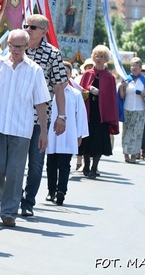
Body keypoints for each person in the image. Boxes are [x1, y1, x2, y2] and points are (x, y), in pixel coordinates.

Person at [0, 29, 50, 227]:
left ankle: (9, 211)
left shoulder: (34, 70)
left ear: (27, 46)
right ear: (7, 45)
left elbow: (41, 103)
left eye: (19, 46)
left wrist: (43, 132)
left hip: (21, 129)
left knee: (15, 171)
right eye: (12, 45)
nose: (15, 50)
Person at [20, 14, 68, 217]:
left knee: (36, 161)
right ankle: (12, 196)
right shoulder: (16, 47)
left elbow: (59, 86)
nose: (28, 29)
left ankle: (28, 200)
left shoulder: (53, 54)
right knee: (13, 160)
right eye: (26, 26)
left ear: (43, 32)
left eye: (32, 27)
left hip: (41, 117)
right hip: (17, 114)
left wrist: (62, 116)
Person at [46, 62, 88, 205]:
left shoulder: (75, 94)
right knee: (51, 162)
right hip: (51, 133)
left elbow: (81, 116)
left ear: (70, 75)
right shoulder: (49, 92)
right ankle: (51, 190)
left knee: (65, 163)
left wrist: (80, 135)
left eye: (67, 72)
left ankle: (61, 191)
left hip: (68, 133)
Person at [77, 45, 118, 179]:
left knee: (99, 142)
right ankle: (86, 164)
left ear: (106, 58)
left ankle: (95, 167)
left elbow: (111, 98)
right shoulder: (87, 74)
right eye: (96, 56)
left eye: (101, 56)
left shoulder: (110, 77)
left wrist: (101, 94)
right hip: (88, 112)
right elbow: (81, 91)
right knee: (86, 140)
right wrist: (89, 89)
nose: (99, 59)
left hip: (102, 114)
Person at [118, 57, 145, 163]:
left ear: (140, 68)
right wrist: (122, 87)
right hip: (128, 108)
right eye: (132, 66)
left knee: (137, 133)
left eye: (136, 66)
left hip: (140, 109)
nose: (134, 68)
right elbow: (121, 96)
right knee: (127, 132)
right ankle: (126, 153)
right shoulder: (126, 79)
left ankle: (134, 155)